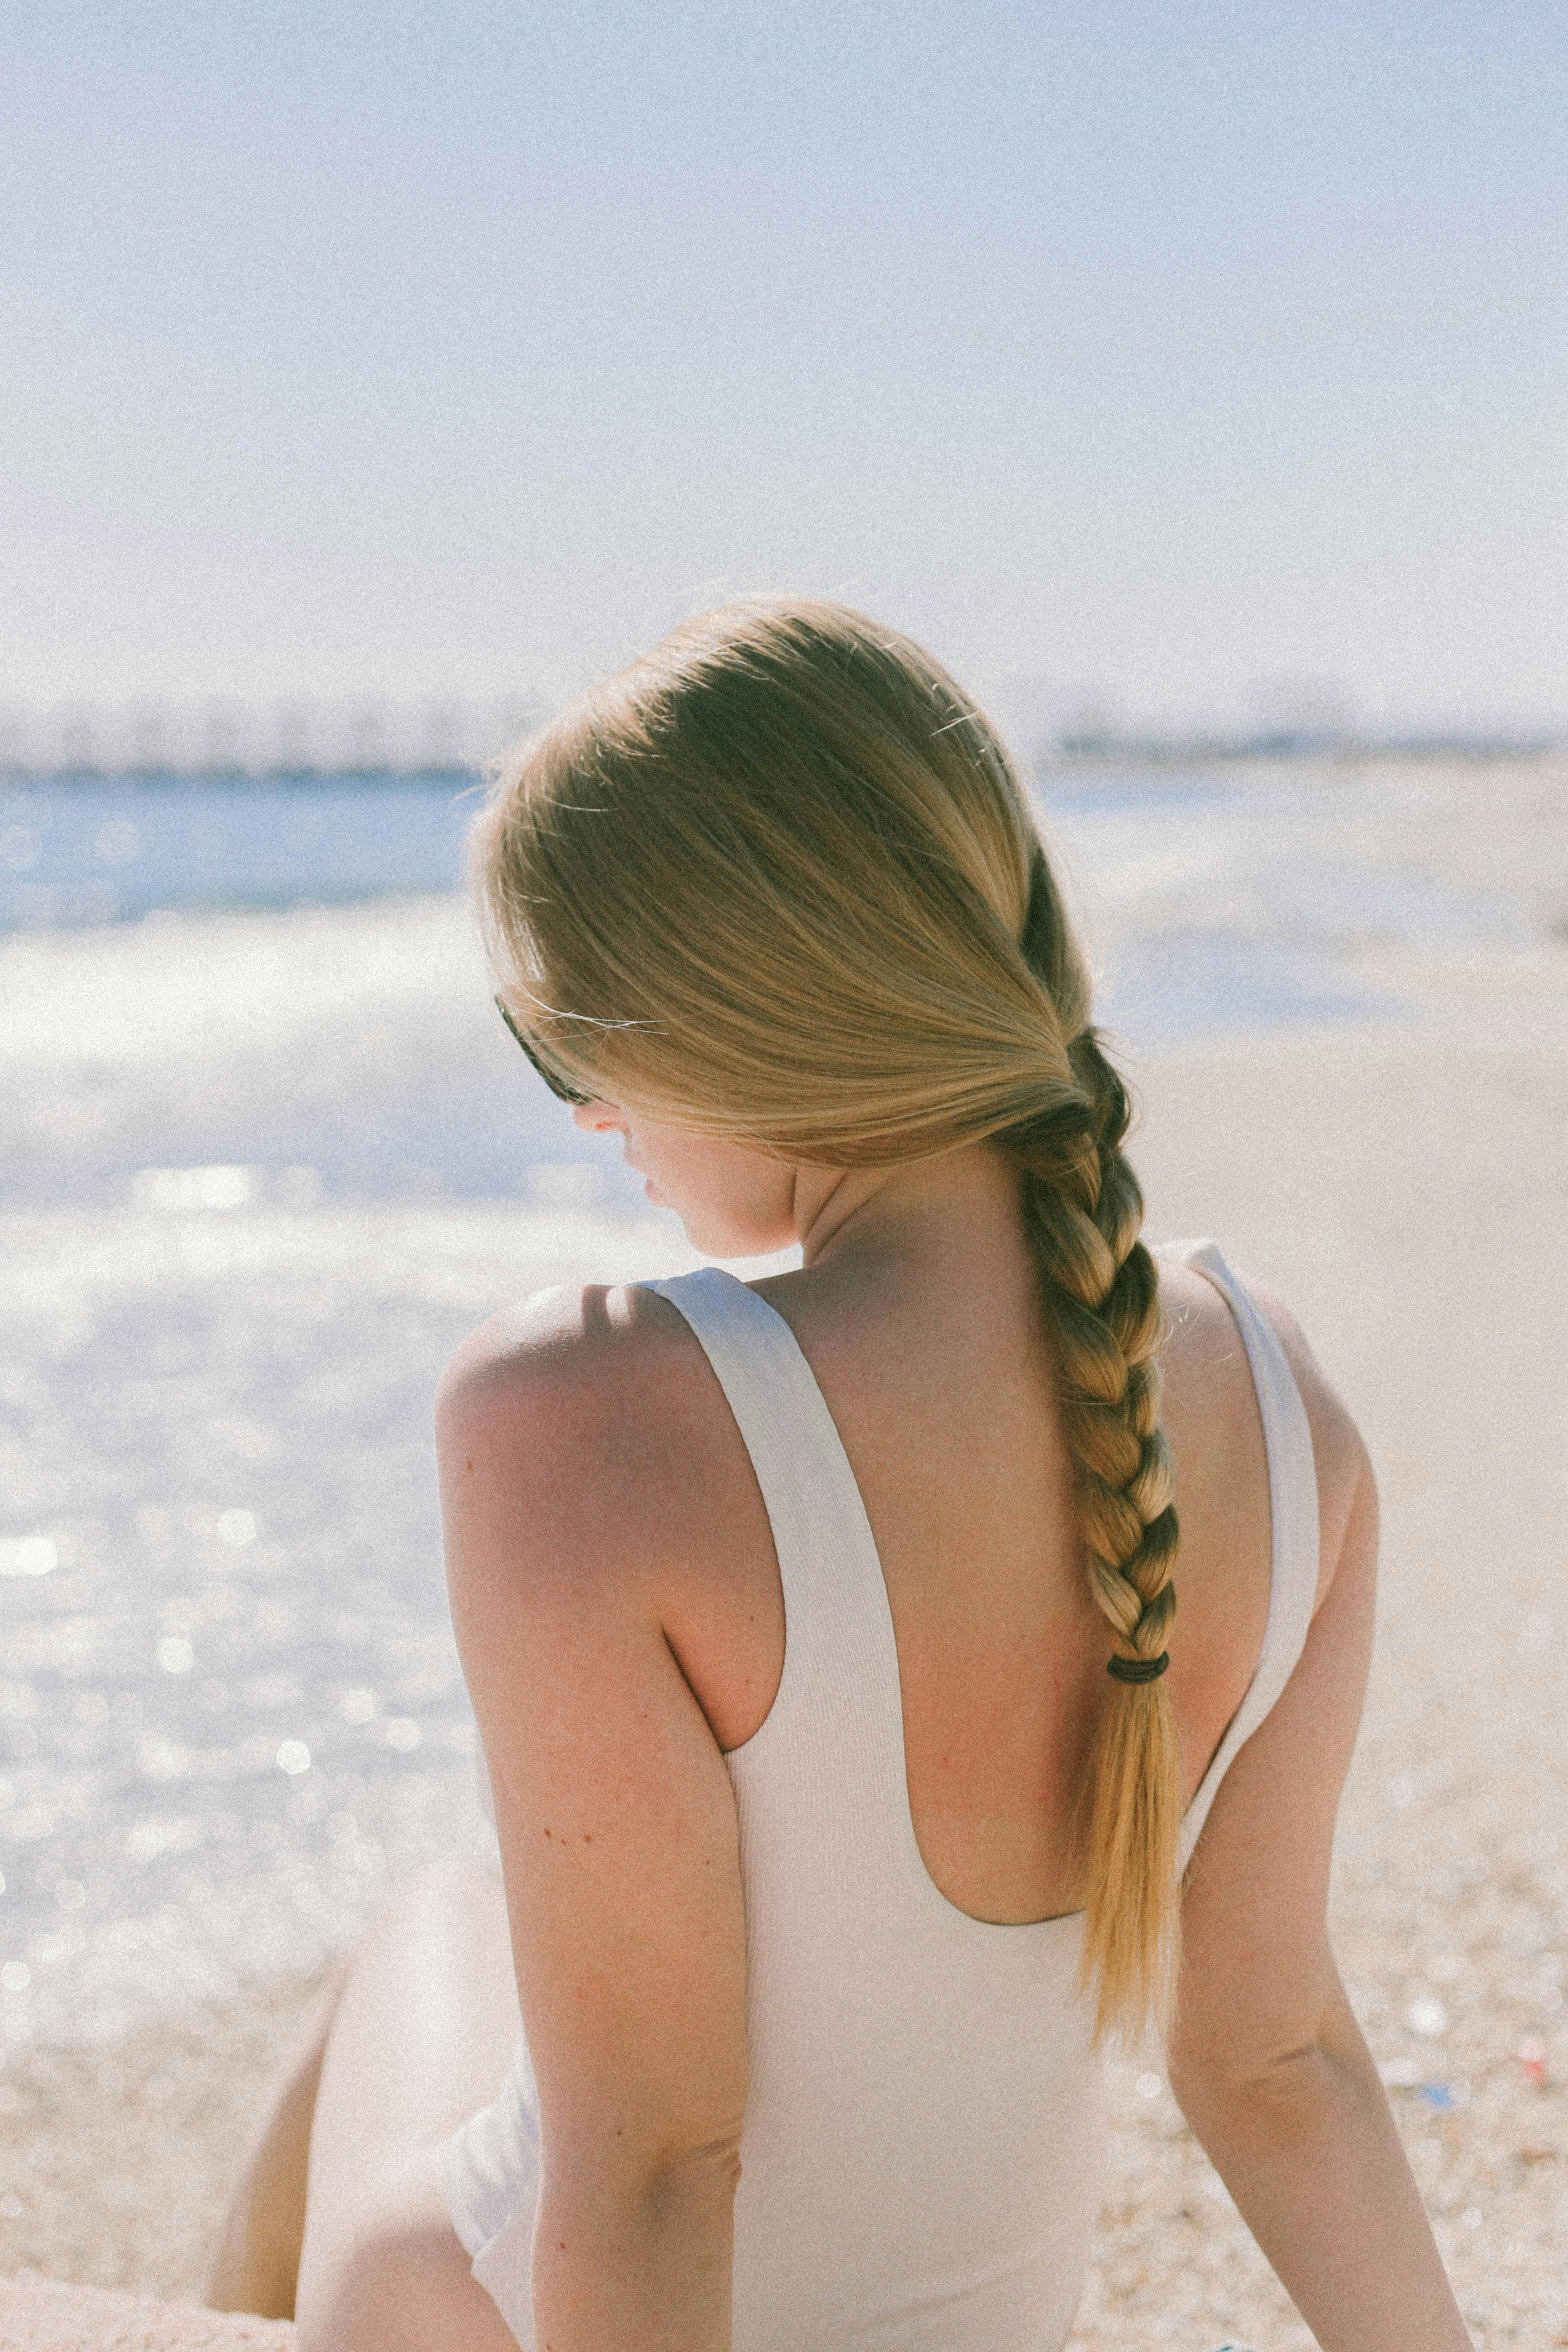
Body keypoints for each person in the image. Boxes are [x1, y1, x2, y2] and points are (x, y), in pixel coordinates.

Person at [208, 599, 1471, 2350]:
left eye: (572, 1034)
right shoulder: (1278, 1406)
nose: (586, 1111)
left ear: (740, 1001)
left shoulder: (581, 1409)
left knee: (429, 1927)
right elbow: (1278, 2060)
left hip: (480, 2321)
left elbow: (656, 2170)